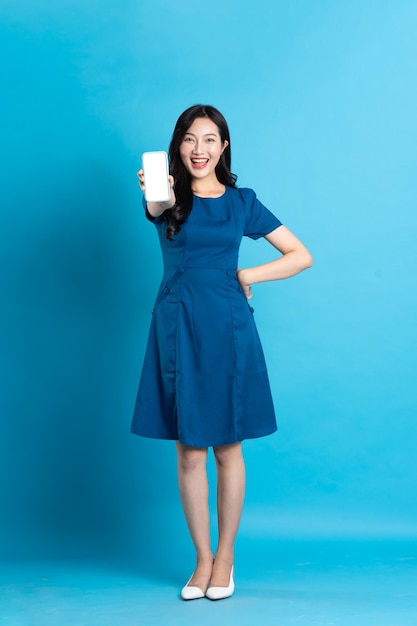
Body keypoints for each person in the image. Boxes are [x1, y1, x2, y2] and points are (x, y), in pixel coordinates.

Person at [131, 104, 312, 601]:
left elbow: (300, 254)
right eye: (190, 139)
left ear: (223, 147)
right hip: (177, 325)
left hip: (229, 327)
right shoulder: (166, 197)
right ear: (178, 145)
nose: (199, 149)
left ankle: (226, 559)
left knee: (228, 446)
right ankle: (202, 560)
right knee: (189, 449)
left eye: (209, 139)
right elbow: (153, 211)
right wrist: (153, 188)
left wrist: (248, 275)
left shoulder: (242, 202)